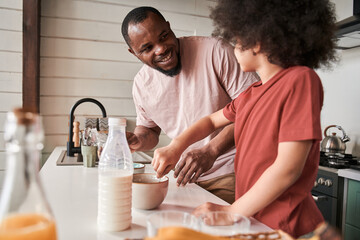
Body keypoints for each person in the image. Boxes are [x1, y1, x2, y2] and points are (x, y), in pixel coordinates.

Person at [152, 0, 338, 237]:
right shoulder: (250, 94)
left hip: (290, 225)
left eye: (237, 41)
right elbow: (210, 121)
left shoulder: (300, 80)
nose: (234, 47)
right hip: (255, 219)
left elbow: (287, 169)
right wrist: (176, 146)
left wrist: (231, 212)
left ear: (257, 41)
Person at [121, 6, 259, 204]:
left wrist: (211, 150)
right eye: (147, 48)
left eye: (164, 36)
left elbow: (256, 112)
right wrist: (138, 139)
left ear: (169, 27)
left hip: (233, 171)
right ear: (133, 53)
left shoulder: (215, 51)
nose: (161, 49)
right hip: (186, 178)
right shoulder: (142, 84)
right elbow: (150, 131)